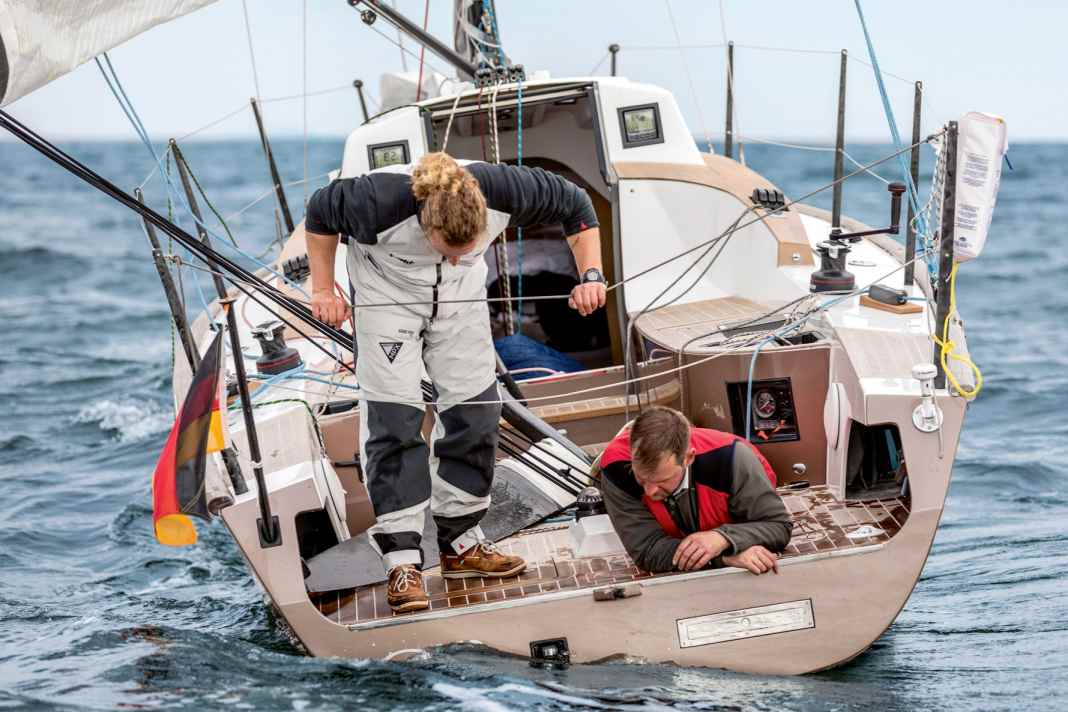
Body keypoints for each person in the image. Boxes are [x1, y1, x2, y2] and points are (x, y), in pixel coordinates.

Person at [304, 152, 607, 612]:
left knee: (477, 412)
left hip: (460, 301)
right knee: (395, 420)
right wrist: (323, 289)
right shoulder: (374, 200)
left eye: (467, 247)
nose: (456, 254)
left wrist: (591, 274)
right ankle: (403, 561)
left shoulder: (504, 188)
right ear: (425, 222)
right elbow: (319, 214)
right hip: (389, 302)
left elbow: (576, 204)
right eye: (447, 247)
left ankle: (461, 542)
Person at [597, 406, 792, 575]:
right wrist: (724, 558)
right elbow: (647, 550)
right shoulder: (616, 468)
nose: (649, 492)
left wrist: (722, 538)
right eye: (641, 478)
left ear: (688, 458)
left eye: (662, 480)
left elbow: (778, 526)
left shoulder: (733, 458)